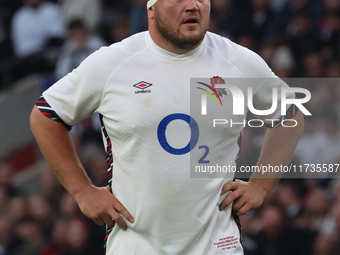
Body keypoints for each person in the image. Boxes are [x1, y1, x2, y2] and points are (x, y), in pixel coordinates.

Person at [30, 0, 304, 254]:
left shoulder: (239, 62)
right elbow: (45, 116)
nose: (192, 6)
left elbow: (290, 116)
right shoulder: (113, 63)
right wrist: (83, 191)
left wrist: (260, 185)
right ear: (151, 8)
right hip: (136, 246)